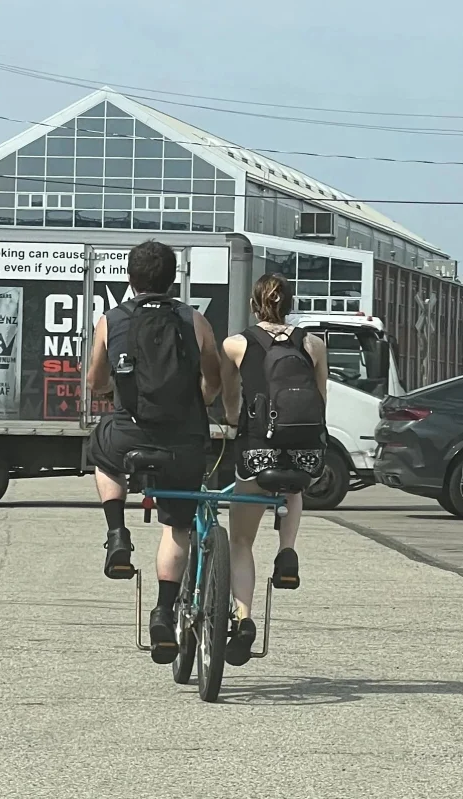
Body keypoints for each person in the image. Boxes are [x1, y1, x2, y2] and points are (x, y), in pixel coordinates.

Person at [87, 240, 221, 665]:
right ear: (173, 278)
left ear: (130, 279)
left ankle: (117, 533)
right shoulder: (195, 320)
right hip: (183, 442)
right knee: (176, 526)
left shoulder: (112, 320)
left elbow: (95, 382)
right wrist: (197, 400)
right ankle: (163, 611)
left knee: (100, 449)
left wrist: (116, 391)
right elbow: (213, 381)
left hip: (129, 434)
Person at [220, 272, 328, 666]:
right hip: (303, 450)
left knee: (240, 542)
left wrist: (232, 420)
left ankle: (244, 619)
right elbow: (320, 400)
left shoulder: (236, 344)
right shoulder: (313, 344)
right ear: (290, 304)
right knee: (294, 487)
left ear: (254, 305)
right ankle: (287, 551)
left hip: (257, 452)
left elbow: (230, 400)